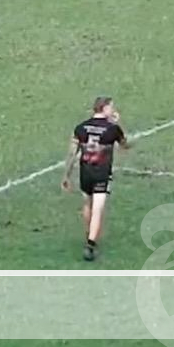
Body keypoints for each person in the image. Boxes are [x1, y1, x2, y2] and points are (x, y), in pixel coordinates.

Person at [60, 97, 130, 263]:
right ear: (104, 108)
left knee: (87, 204)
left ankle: (88, 233)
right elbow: (125, 144)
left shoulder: (81, 127)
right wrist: (118, 124)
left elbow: (72, 154)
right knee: (98, 208)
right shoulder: (112, 129)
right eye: (111, 107)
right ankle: (90, 245)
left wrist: (66, 175)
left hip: (85, 171)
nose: (113, 110)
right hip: (101, 172)